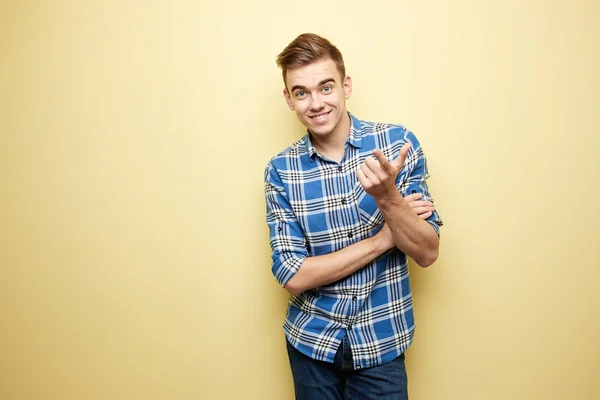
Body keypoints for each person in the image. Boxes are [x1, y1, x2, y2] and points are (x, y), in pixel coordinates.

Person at [264, 33, 443, 400]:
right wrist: (385, 237)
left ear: (345, 85)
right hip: (310, 345)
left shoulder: (396, 145)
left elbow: (427, 252)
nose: (316, 103)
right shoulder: (280, 170)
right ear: (289, 99)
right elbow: (294, 276)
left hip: (382, 344)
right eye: (301, 92)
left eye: (326, 87)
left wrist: (387, 198)